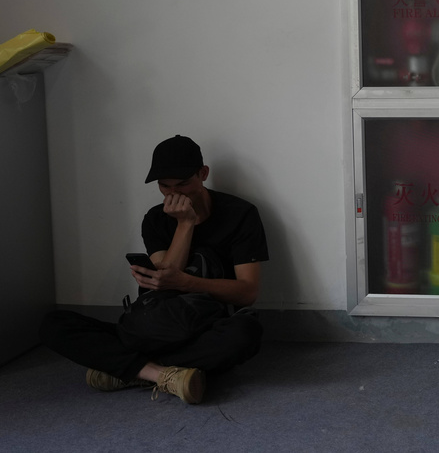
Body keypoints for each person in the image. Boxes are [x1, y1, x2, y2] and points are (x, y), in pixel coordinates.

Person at [40, 135, 269, 404]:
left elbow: (247, 293)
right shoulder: (155, 219)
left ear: (203, 174)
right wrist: (185, 225)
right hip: (155, 326)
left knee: (246, 334)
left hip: (203, 328)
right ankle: (162, 374)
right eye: (164, 186)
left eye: (183, 183)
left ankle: (130, 370)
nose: (174, 194)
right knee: (53, 324)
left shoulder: (240, 214)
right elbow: (164, 286)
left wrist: (187, 282)